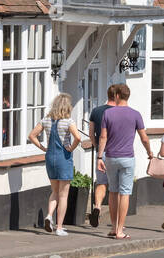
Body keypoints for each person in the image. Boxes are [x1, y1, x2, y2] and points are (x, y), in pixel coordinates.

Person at [95, 84, 153, 239]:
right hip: (127, 157)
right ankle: (120, 230)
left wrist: (100, 157)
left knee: (113, 192)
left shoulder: (108, 114)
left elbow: (102, 137)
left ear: (117, 96)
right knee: (125, 193)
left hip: (111, 157)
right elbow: (144, 138)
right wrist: (150, 153)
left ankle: (114, 228)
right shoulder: (135, 114)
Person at [28, 93, 86, 236]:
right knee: (63, 195)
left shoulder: (46, 120)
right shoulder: (68, 121)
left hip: (50, 158)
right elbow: (78, 137)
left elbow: (31, 136)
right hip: (63, 158)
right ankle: (59, 227)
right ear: (67, 107)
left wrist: (42, 148)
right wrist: (71, 148)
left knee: (54, 191)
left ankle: (49, 216)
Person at [86, 85, 119, 228]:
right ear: (117, 96)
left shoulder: (96, 111)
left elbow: (91, 133)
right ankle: (116, 222)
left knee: (101, 183)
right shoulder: (119, 112)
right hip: (117, 152)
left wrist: (97, 148)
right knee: (115, 189)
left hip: (102, 153)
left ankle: (98, 207)